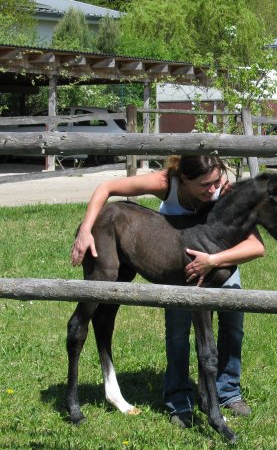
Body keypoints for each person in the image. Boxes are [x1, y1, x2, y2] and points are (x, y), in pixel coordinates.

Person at [70, 155, 265, 428]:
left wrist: (211, 261)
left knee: (233, 319)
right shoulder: (165, 182)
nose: (213, 189)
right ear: (184, 180)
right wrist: (86, 230)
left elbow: (256, 245)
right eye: (205, 185)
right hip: (174, 260)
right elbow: (107, 188)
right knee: (177, 329)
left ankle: (227, 392)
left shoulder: (224, 191)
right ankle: (179, 400)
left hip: (218, 260)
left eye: (217, 181)